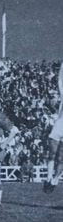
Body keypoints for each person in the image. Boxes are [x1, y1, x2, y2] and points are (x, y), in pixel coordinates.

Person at [44, 62, 63, 193]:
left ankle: (55, 179)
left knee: (61, 157)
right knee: (52, 153)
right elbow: (60, 80)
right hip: (59, 125)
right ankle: (49, 178)